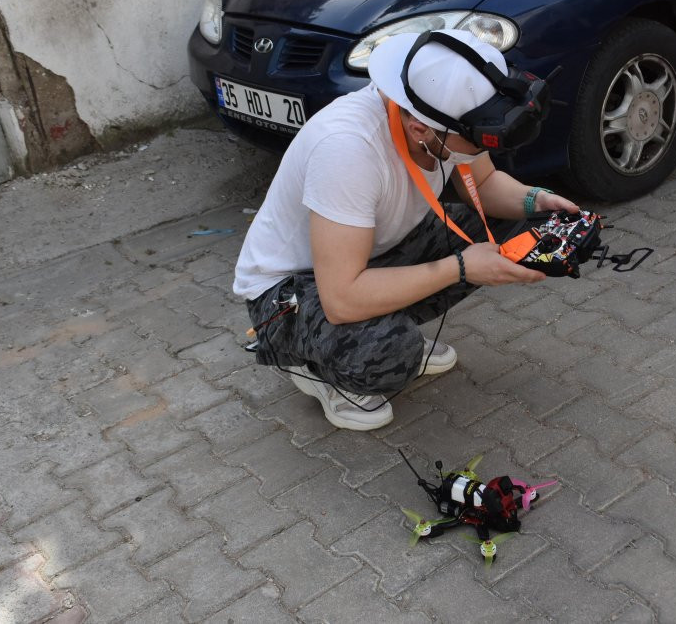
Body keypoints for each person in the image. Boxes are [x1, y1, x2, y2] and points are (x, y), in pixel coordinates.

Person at [233, 29, 579, 431]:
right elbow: (341, 298)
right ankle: (319, 365)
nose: (483, 151)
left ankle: (382, 323)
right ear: (420, 129)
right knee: (393, 353)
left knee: (514, 229)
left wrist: (536, 201)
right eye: (475, 143)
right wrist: (461, 267)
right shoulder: (346, 149)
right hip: (290, 293)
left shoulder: (437, 110)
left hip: (366, 256)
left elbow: (483, 185)